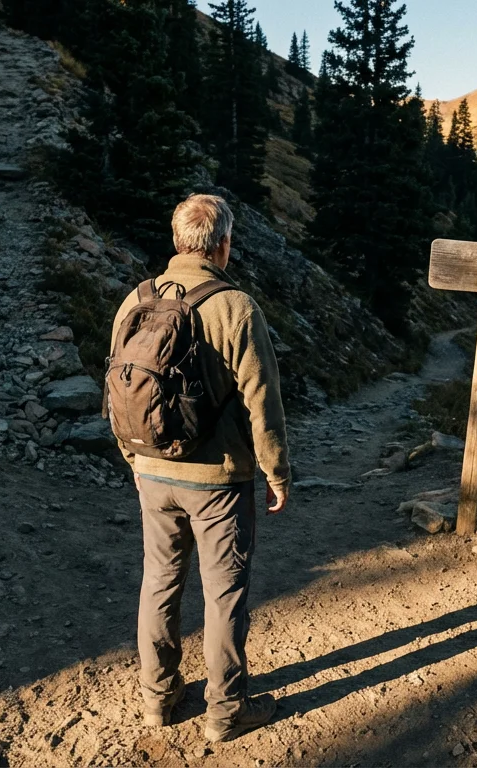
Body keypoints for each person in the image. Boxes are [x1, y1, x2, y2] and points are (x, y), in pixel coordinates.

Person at [110, 194, 291, 743]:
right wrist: (277, 473)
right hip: (218, 482)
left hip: (151, 471)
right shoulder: (236, 307)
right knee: (224, 594)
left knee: (159, 583)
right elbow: (263, 400)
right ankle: (225, 710)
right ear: (223, 245)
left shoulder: (134, 302)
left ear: (176, 241)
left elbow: (119, 387)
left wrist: (134, 459)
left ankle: (157, 701)